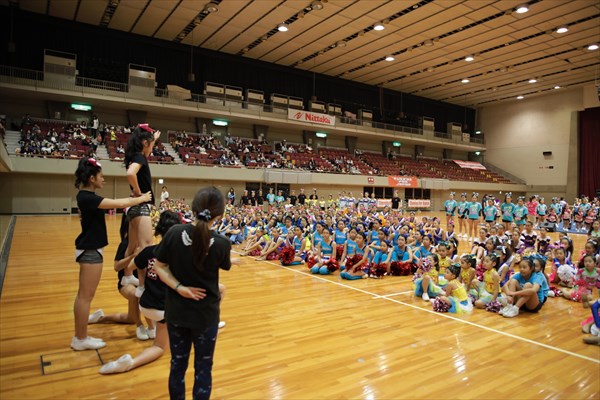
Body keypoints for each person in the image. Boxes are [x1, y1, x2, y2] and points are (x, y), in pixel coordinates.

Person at [153, 187, 233, 400]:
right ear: (219, 216)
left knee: (177, 366)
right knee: (204, 369)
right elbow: (222, 264)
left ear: (193, 208)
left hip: (177, 313)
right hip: (206, 316)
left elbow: (159, 266)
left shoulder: (173, 233)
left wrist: (180, 288)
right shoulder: (223, 244)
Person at [72, 157, 152, 351]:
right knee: (85, 296)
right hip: (90, 251)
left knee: (86, 296)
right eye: (101, 176)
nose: (104, 180)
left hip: (93, 250)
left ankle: (82, 336)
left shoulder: (86, 197)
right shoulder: (87, 197)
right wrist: (140, 199)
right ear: (91, 178)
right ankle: (80, 338)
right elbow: (116, 202)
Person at [99, 211, 181, 374]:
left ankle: (151, 327)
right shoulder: (180, 256)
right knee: (160, 346)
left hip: (144, 305)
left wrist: (140, 283)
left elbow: (129, 269)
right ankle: (131, 363)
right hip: (161, 310)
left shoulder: (149, 251)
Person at [124, 124, 161, 284]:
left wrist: (154, 138)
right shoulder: (139, 157)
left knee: (132, 246)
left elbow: (132, 172)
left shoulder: (134, 155)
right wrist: (139, 192)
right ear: (145, 143)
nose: (152, 148)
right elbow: (131, 173)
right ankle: (143, 284)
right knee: (146, 246)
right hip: (141, 206)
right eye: (151, 144)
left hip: (133, 208)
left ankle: (127, 276)